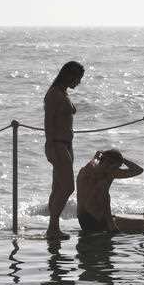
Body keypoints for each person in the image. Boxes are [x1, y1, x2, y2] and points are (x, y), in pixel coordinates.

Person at [44, 61, 84, 239]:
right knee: (67, 187)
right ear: (68, 75)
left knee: (58, 186)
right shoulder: (53, 94)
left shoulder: (62, 92)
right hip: (58, 144)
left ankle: (53, 227)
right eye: (78, 78)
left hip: (66, 144)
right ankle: (52, 227)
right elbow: (48, 122)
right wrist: (50, 145)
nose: (79, 82)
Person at [76, 149, 144, 233]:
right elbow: (104, 198)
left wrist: (122, 160)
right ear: (107, 163)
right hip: (93, 219)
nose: (116, 170)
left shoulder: (107, 172)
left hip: (88, 219)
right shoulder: (90, 175)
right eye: (115, 167)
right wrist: (111, 225)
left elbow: (138, 170)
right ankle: (108, 227)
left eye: (117, 167)